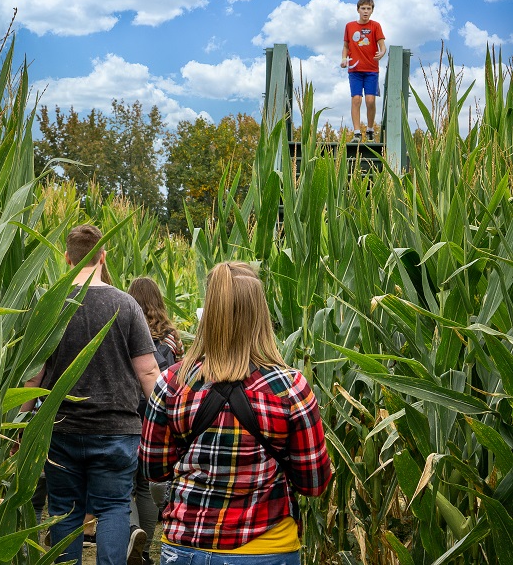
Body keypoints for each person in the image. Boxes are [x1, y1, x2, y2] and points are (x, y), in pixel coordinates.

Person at [139, 261, 332, 565]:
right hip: (266, 547)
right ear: (260, 315)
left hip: (186, 547)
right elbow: (314, 483)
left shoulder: (171, 383)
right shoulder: (291, 388)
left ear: (210, 315)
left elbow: (153, 469)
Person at [22, 224, 160, 565]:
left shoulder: (51, 307)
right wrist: (166, 420)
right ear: (103, 255)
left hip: (61, 429)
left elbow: (33, 376)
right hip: (117, 430)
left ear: (67, 258)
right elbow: (148, 372)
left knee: (64, 510)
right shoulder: (126, 304)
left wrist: (22, 423)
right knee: (113, 507)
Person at [128, 277, 184, 565]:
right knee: (145, 486)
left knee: (120, 484)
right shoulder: (171, 337)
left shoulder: (124, 327)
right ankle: (146, 551)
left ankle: (132, 533)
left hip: (126, 414)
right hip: (157, 416)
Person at [341, 0, 386, 142]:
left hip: (371, 69)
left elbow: (382, 45)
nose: (365, 11)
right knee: (356, 99)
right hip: (355, 69)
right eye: (363, 8)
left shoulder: (375, 26)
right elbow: (346, 46)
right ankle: (357, 133)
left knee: (370, 100)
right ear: (358, 10)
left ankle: (370, 130)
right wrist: (343, 59)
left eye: (368, 9)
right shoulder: (349, 26)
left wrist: (382, 52)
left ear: (372, 11)